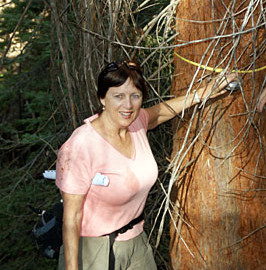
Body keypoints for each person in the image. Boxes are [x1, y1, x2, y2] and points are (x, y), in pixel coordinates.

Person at [55, 60, 237, 270]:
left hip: (136, 242)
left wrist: (205, 92)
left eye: (135, 96)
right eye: (118, 96)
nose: (128, 105)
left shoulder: (136, 123)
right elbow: (71, 218)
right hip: (95, 251)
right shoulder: (81, 145)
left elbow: (160, 113)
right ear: (102, 98)